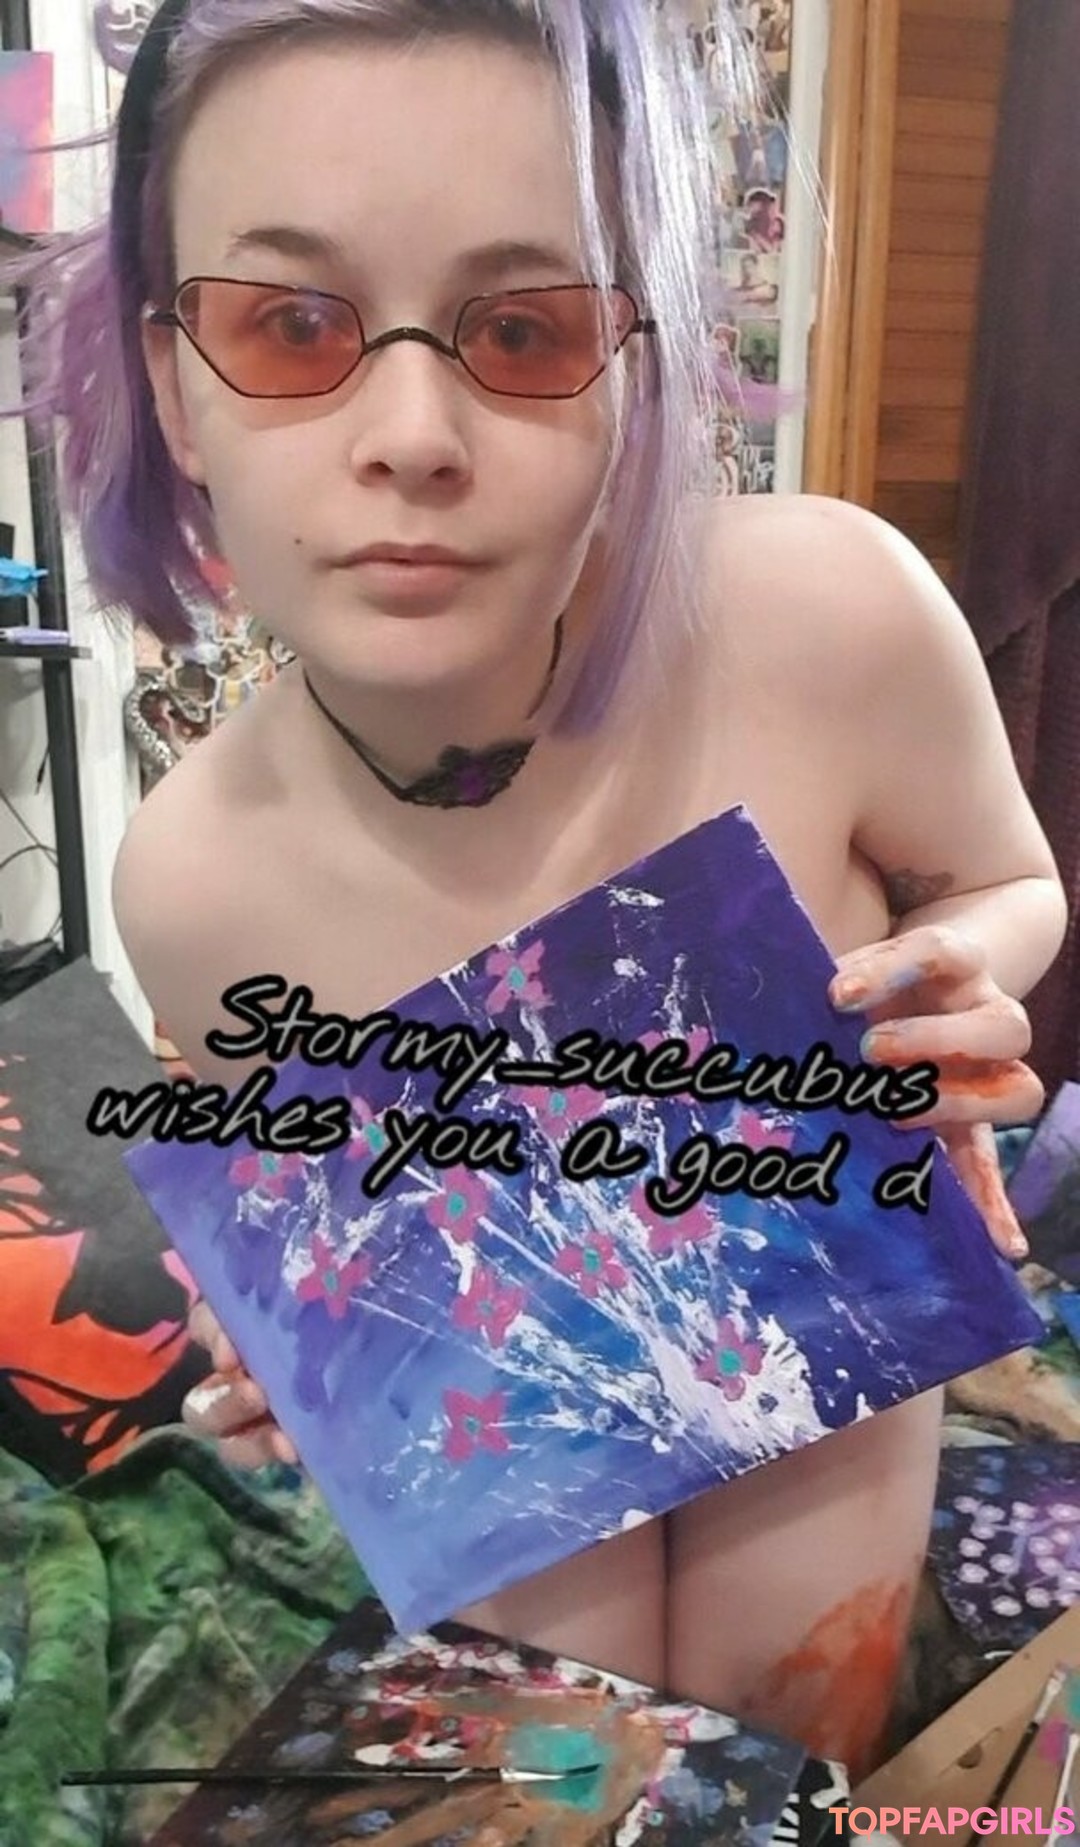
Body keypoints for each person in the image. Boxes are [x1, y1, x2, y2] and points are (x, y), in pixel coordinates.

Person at [2, 0, 1064, 1780]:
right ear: (174, 382)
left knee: (784, 1746)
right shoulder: (192, 878)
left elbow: (1014, 877)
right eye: (292, 324)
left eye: (521, 328)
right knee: (593, 1771)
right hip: (518, 1375)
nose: (414, 433)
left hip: (815, 1302)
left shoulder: (831, 619)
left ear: (634, 358)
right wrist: (288, 1329)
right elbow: (309, 1195)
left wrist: (962, 969)